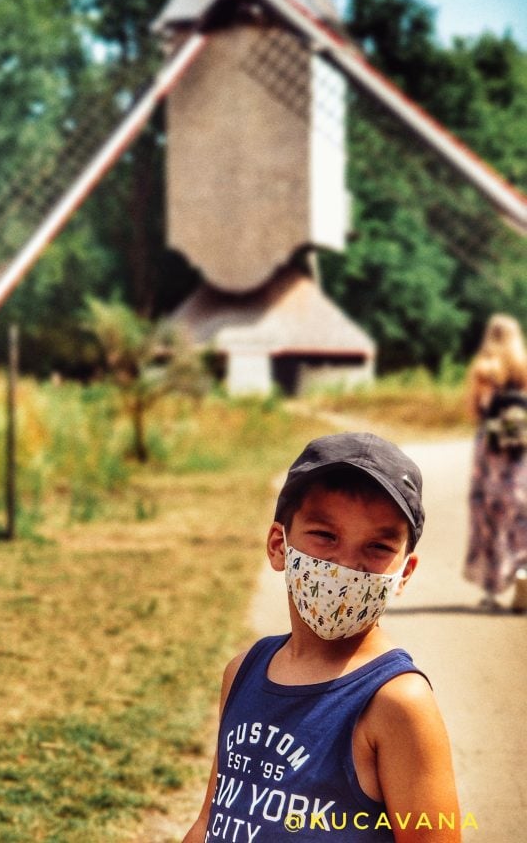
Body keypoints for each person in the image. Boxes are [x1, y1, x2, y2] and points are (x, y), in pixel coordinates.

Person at [182, 432, 461, 843]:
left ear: (405, 572)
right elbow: (212, 817)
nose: (347, 564)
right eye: (325, 536)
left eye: (378, 546)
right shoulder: (243, 672)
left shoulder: (397, 704)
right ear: (279, 545)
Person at [463, 313, 527, 611]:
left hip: (491, 449)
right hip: (521, 445)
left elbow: (476, 409)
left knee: (489, 513)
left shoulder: (485, 369)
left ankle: (491, 591)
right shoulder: (523, 367)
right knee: (519, 510)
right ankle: (521, 572)